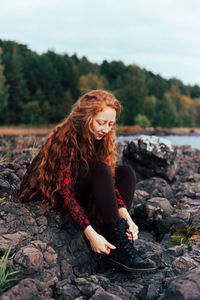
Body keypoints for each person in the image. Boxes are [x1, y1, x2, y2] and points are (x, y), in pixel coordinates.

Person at [17, 89, 156, 272]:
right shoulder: (65, 138)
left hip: (79, 188)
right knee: (100, 169)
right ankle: (116, 245)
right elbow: (65, 193)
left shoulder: (101, 138)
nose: (106, 129)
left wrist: (127, 219)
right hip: (52, 193)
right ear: (86, 117)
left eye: (110, 124)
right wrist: (91, 235)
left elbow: (110, 183)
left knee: (126, 173)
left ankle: (116, 238)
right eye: (101, 122)